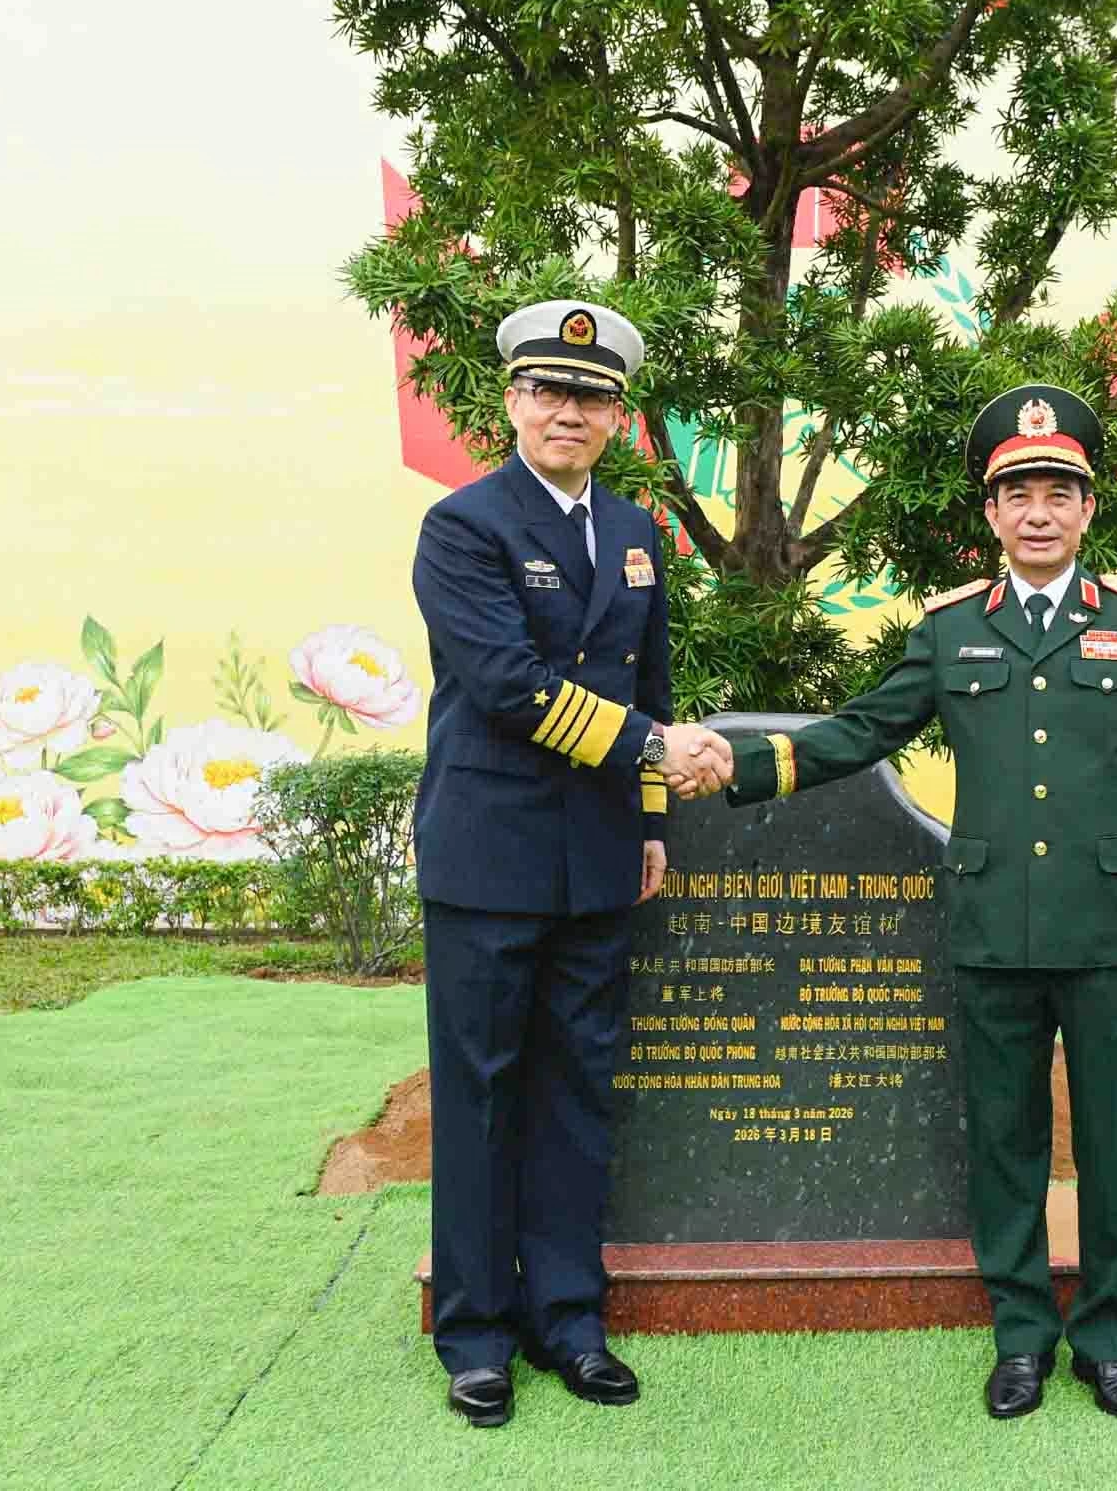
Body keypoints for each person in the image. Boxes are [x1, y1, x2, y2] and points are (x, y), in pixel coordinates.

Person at [721, 383, 1117, 1423]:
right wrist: (739, 766)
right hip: (994, 921)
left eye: (1058, 493)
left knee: (1114, 1142)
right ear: (990, 514)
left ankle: (1109, 1339)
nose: (1038, 512)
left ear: (1088, 509)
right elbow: (860, 731)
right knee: (1005, 1137)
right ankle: (1022, 1335)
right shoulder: (950, 632)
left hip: (1113, 924)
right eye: (1018, 493)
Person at [409, 297, 732, 1428]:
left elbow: (646, 679)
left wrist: (647, 822)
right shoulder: (464, 527)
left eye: (590, 397)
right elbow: (505, 688)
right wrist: (654, 747)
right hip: (488, 857)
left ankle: (568, 1319)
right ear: (510, 400)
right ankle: (477, 1333)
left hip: (596, 859)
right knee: (483, 1094)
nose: (567, 411)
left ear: (615, 416)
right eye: (547, 390)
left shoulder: (637, 532)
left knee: (576, 1089)